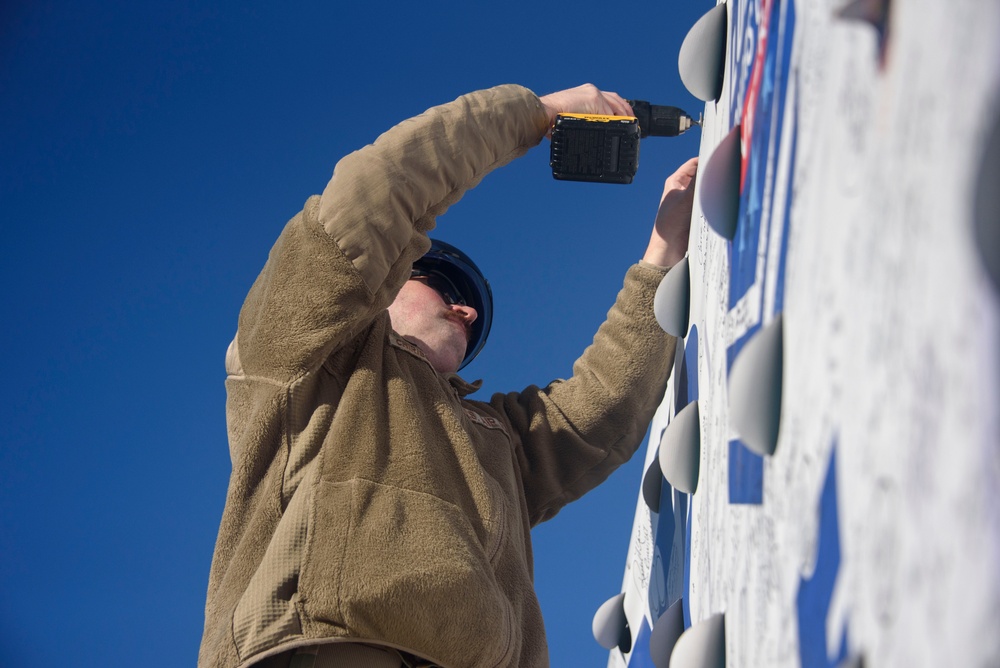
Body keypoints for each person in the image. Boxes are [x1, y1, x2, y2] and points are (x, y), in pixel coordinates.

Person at [199, 83, 698, 668]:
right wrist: (535, 115)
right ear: (386, 283)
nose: (466, 309)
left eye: (471, 308)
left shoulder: (496, 439)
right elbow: (373, 199)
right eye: (443, 287)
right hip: (329, 647)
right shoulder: (305, 353)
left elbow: (599, 411)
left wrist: (662, 254)